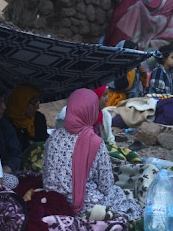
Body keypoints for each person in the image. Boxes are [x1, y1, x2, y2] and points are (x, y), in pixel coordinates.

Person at [42, 89, 142, 220]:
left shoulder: (53, 137)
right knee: (123, 200)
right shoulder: (94, 142)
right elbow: (105, 186)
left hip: (52, 200)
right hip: (83, 203)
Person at [5, 84, 49, 151]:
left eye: (38, 102)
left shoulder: (39, 118)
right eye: (34, 103)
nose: (38, 107)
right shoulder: (6, 123)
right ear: (22, 102)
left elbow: (43, 144)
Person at [106, 41, 146, 107]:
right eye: (132, 51)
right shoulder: (115, 65)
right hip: (115, 101)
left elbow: (141, 86)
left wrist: (142, 74)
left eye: (136, 50)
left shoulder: (135, 66)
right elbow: (122, 85)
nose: (134, 54)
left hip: (130, 102)